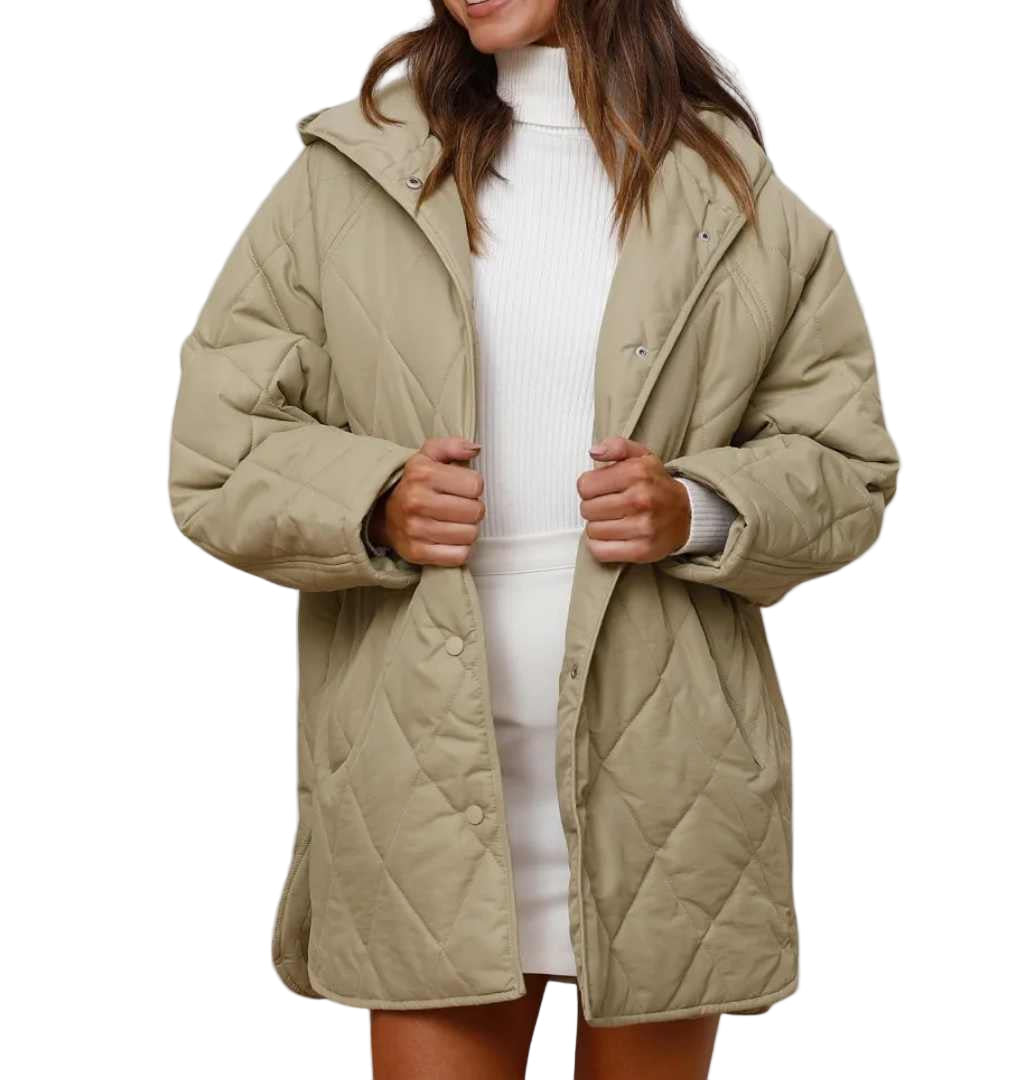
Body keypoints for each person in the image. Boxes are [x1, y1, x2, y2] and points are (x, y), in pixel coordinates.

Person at [168, 2, 900, 1077]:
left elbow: (845, 461)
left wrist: (695, 507)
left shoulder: (736, 197)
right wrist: (375, 500)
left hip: (665, 761)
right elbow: (219, 446)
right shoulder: (351, 174)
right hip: (419, 758)